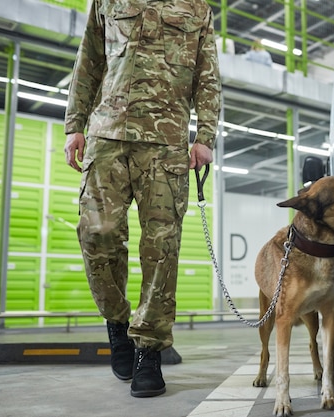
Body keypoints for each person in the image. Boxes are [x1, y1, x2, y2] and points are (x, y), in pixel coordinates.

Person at [63, 0, 221, 398]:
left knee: (161, 248)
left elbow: (208, 73)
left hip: (165, 143)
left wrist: (205, 135)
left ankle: (148, 349)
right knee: (96, 235)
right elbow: (89, 59)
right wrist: (74, 124)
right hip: (106, 133)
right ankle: (118, 325)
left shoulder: (197, 7)